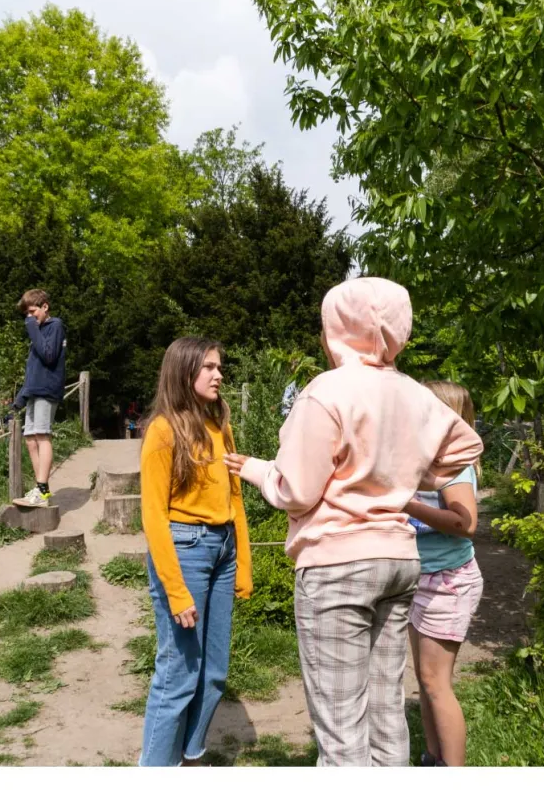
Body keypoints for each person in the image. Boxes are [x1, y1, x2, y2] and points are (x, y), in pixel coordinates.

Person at [225, 277, 483, 767]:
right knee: (386, 715)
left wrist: (259, 470)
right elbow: (466, 447)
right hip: (400, 562)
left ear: (340, 327)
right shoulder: (412, 393)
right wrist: (400, 473)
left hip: (338, 564)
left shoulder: (327, 391)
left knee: (342, 728)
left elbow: (296, 492)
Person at [139, 337, 252, 766]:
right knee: (178, 675)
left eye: (219, 367)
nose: (218, 375)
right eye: (208, 367)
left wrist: (243, 563)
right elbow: (153, 516)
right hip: (184, 551)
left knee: (214, 673)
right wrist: (176, 590)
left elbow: (235, 498)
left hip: (223, 550)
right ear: (184, 371)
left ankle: (190, 758)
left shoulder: (219, 425)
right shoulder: (162, 431)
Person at [402, 381, 484, 767]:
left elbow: (465, 524)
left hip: (447, 581)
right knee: (425, 679)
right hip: (421, 578)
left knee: (436, 682)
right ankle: (432, 759)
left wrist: (408, 506)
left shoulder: (456, 467)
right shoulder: (422, 461)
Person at [12, 289, 66, 507]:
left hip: (47, 390)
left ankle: (42, 490)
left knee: (43, 436)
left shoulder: (55, 326)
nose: (29, 318)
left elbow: (49, 356)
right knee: (30, 439)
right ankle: (40, 489)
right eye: (26, 314)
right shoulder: (38, 330)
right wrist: (21, 398)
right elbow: (33, 371)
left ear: (45, 307)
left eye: (32, 312)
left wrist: (33, 329)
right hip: (34, 392)